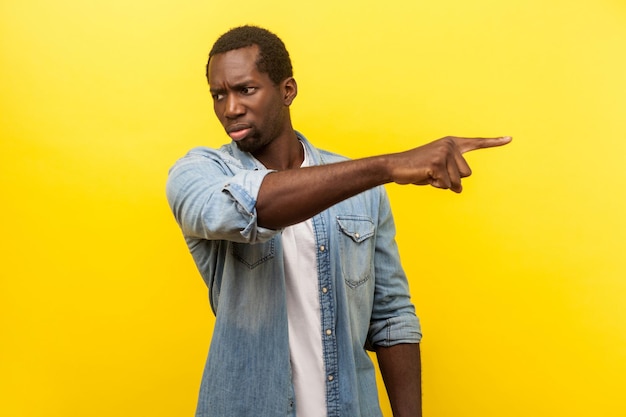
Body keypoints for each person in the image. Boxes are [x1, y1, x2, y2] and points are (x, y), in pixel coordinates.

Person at [166, 25, 511, 417]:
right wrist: (389, 165)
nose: (230, 108)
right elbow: (253, 207)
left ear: (287, 90)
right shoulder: (198, 175)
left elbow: (391, 317)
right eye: (218, 95)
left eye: (245, 89)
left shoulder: (363, 189)